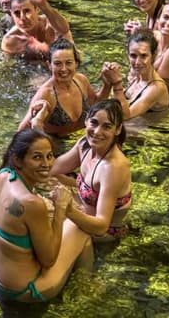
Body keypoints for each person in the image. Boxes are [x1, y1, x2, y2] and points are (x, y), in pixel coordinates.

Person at [0, 130, 94, 303]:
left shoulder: (0, 176)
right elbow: (48, 260)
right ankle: (84, 291)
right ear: (18, 160)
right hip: (23, 290)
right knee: (81, 229)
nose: (46, 164)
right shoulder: (32, 203)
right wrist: (60, 208)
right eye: (37, 157)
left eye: (50, 156)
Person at [50, 99, 132, 241]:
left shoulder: (113, 168)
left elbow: (101, 227)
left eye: (107, 127)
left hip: (102, 232)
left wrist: (67, 209)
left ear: (118, 130)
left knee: (46, 242)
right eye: (94, 123)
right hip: (81, 212)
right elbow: (52, 169)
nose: (97, 132)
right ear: (86, 120)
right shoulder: (85, 144)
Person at [19, 37, 93, 138]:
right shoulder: (46, 95)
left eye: (68, 63)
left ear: (76, 64)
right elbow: (21, 132)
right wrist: (37, 124)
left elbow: (96, 104)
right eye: (58, 64)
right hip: (56, 143)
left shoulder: (81, 80)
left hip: (82, 138)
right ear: (49, 65)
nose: (63, 69)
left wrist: (108, 85)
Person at [98, 29, 169, 119]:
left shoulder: (156, 88)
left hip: (151, 127)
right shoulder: (135, 74)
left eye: (143, 56)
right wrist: (108, 82)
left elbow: (125, 116)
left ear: (154, 55)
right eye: (133, 56)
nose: (137, 62)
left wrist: (117, 84)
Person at [0, 0, 71, 61]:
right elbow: (7, 66)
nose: (22, 18)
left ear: (37, 9)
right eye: (17, 13)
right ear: (11, 14)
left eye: (27, 11)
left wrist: (43, 5)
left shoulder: (51, 24)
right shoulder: (11, 40)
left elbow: (64, 30)